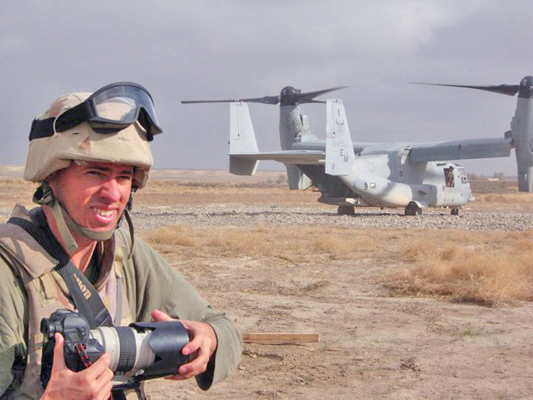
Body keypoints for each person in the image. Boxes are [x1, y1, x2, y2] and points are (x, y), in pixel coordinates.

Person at [0, 82, 242, 399]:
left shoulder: (123, 255)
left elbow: (224, 328)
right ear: (52, 174)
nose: (113, 194)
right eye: (95, 173)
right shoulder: (10, 273)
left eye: (124, 176)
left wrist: (209, 338)